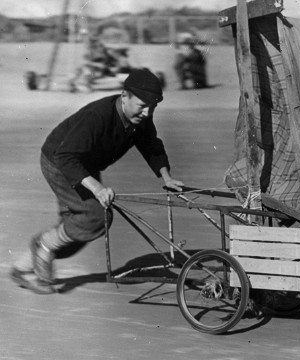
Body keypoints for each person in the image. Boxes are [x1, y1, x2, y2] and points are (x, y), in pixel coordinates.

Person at [9, 68, 184, 294]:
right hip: (59, 161)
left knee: (82, 228)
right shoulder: (98, 116)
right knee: (95, 217)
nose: (148, 113)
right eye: (142, 106)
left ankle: (22, 269)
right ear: (124, 97)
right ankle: (42, 245)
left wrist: (166, 177)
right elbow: (66, 157)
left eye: (153, 107)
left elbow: (151, 145)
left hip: (82, 165)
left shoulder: (140, 119)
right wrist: (97, 187)